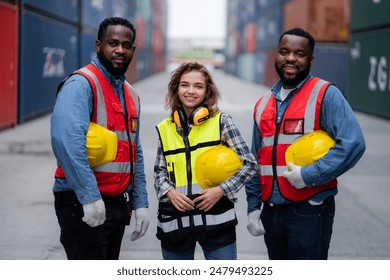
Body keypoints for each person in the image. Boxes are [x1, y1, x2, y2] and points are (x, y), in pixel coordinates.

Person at [245, 27, 366, 260]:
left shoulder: (326, 94)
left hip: (309, 211)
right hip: (271, 212)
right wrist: (252, 207)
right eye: (284, 51)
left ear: (310, 60)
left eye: (299, 54)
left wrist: (309, 175)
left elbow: (353, 144)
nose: (290, 58)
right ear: (277, 56)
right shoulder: (262, 103)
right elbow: (256, 160)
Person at [51, 17, 149, 260]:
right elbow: (67, 143)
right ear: (98, 45)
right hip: (80, 201)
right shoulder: (81, 84)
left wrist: (140, 203)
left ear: (133, 50)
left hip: (117, 204)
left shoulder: (131, 95)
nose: (120, 50)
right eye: (112, 43)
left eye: (126, 45)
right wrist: (90, 197)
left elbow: (133, 152)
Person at [154, 62, 258, 260]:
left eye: (198, 86)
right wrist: (170, 192)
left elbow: (249, 163)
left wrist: (221, 190)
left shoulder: (222, 122)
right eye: (185, 85)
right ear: (176, 88)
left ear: (207, 91)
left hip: (216, 220)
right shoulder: (165, 128)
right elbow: (159, 171)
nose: (191, 91)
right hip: (175, 223)